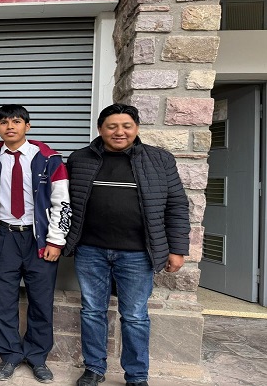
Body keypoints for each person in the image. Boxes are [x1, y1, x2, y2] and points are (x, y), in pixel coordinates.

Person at [63, 104, 190, 386]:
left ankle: (136, 376)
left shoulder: (159, 160)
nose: (119, 132)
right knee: (92, 311)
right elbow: (64, 202)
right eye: (112, 126)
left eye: (126, 126)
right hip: (90, 250)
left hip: (137, 253)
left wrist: (177, 249)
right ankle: (94, 368)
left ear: (137, 128)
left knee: (134, 316)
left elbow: (177, 206)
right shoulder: (80, 159)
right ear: (100, 129)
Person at [0, 105, 71, 382]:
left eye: (17, 121)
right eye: (4, 122)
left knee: (41, 301)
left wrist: (56, 240)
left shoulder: (48, 158)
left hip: (38, 239)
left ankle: (37, 357)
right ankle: (10, 355)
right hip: (4, 237)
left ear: (27, 126)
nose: (10, 126)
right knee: (3, 301)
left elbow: (62, 202)